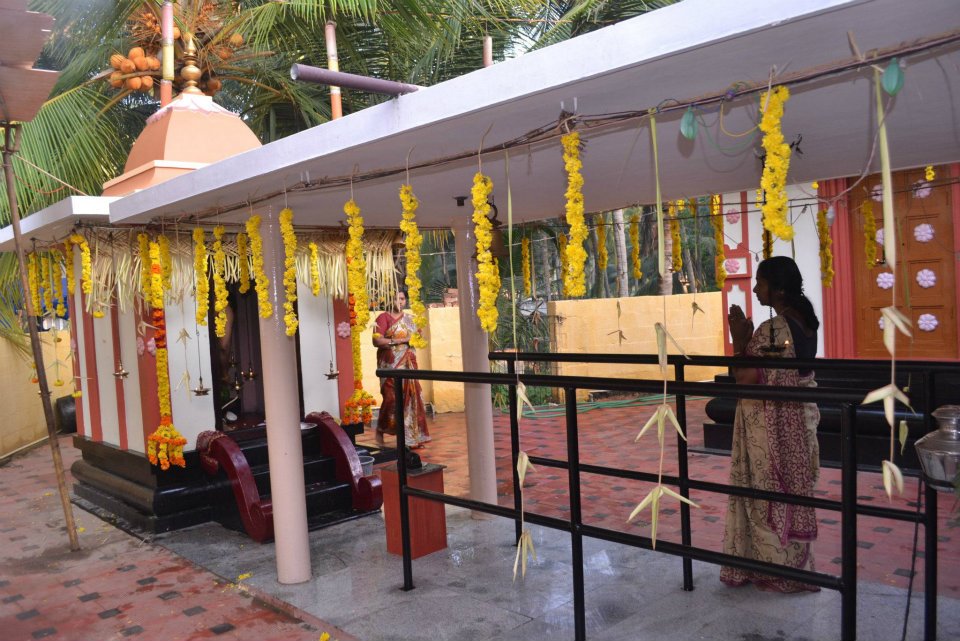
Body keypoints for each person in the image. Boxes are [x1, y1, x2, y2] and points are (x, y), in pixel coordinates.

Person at [720, 256, 821, 593]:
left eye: (760, 283)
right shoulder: (807, 323)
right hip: (801, 419)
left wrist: (739, 341)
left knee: (768, 495)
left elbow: (747, 378)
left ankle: (775, 570)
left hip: (773, 426)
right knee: (793, 490)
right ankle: (794, 567)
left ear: (778, 288)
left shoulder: (775, 329)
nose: (754, 289)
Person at [372, 290, 430, 449]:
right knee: (391, 399)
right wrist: (403, 340)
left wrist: (415, 339)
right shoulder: (383, 318)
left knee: (412, 396)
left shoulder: (410, 320)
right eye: (396, 298)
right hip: (390, 365)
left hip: (408, 363)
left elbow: (418, 339)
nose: (400, 301)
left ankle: (411, 438)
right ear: (391, 300)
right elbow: (377, 341)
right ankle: (380, 429)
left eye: (402, 298)